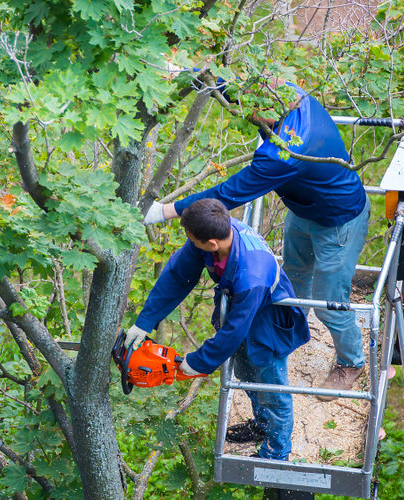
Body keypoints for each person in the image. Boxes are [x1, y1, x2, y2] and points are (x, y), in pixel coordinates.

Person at [143, 80, 370, 400]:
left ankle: (352, 361)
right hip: (304, 209)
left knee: (329, 302)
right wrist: (188, 73)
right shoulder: (287, 95)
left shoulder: (285, 151)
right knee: (295, 274)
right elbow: (234, 83)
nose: (242, 113)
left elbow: (228, 194)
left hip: (339, 219)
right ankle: (288, 332)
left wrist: (164, 210)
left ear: (263, 109)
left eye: (247, 110)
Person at [125, 198, 309, 460]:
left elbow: (233, 331)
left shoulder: (252, 273)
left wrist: (199, 362)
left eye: (192, 239)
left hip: (267, 318)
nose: (189, 242)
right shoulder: (214, 235)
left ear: (212, 244)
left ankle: (275, 453)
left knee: (272, 387)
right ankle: (261, 425)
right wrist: (146, 320)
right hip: (239, 306)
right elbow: (178, 276)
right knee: (246, 374)